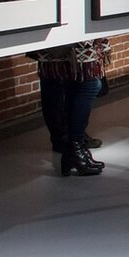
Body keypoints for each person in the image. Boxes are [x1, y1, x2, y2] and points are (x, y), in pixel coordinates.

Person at [30, 39, 112, 176]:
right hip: (66, 37)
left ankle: (74, 147)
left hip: (73, 36)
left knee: (75, 83)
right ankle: (74, 147)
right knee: (89, 84)